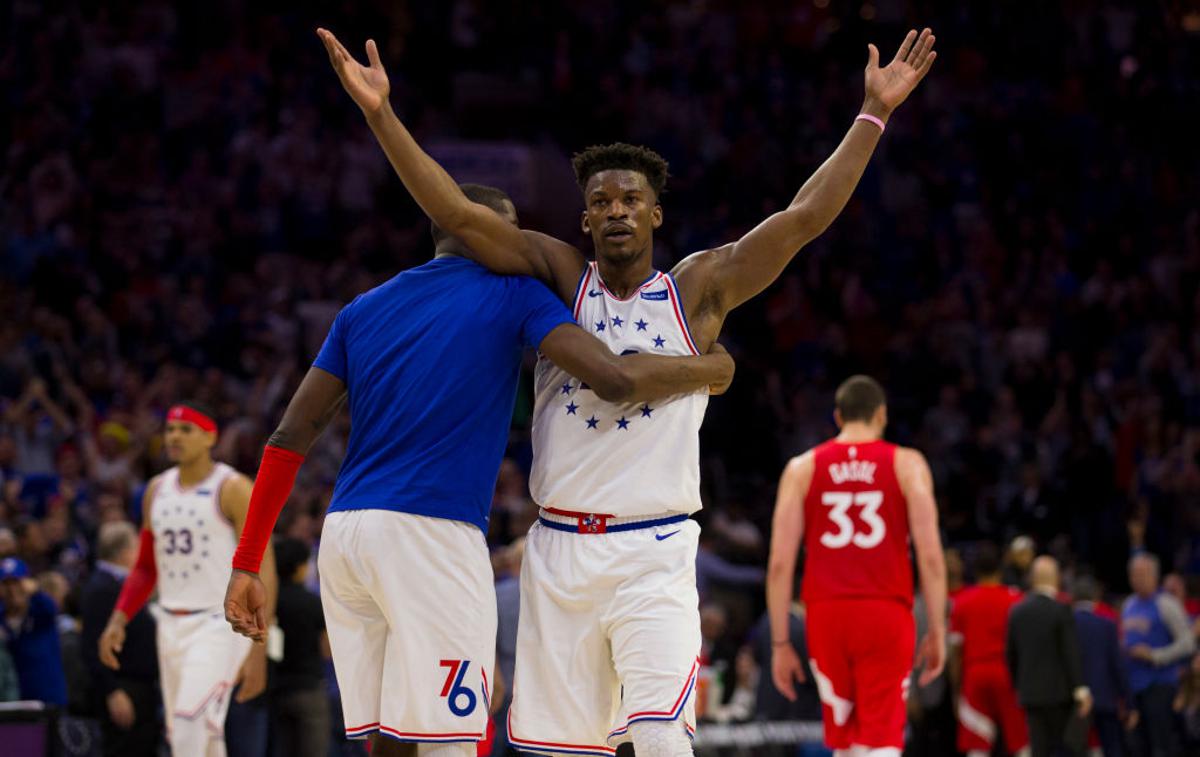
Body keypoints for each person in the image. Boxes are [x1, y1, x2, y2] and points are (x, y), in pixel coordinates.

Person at [316, 22, 937, 757]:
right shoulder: (556, 278)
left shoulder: (697, 290)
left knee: (661, 741)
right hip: (558, 554)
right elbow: (455, 213)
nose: (615, 209)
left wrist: (872, 115)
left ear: (655, 214)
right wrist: (382, 114)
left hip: (655, 552)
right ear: (584, 219)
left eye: (630, 199)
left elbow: (802, 220)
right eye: (602, 200)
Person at [221, 176, 734, 757]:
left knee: (394, 734)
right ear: (496, 235)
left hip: (346, 538)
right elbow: (613, 377)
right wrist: (710, 371)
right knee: (454, 742)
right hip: (430, 535)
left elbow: (289, 436)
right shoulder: (514, 292)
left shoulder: (361, 309)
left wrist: (246, 562)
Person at [766, 375, 948, 756]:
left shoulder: (802, 468)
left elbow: (781, 564)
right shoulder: (907, 463)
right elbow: (930, 557)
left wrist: (780, 641)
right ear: (881, 415)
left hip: (826, 613)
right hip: (885, 611)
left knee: (844, 739)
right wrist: (937, 628)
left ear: (837, 416)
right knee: (881, 738)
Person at [97, 402, 275, 757]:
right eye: (170, 430)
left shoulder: (233, 487)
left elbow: (263, 567)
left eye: (185, 429)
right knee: (198, 735)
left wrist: (259, 649)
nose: (174, 436)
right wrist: (119, 618)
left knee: (188, 725)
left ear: (210, 437)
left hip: (219, 624)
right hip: (170, 625)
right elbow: (146, 567)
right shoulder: (155, 491)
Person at [80, 521, 159, 757]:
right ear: (125, 551)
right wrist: (112, 692)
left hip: (140, 688)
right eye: (137, 546)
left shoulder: (116, 584)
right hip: (124, 687)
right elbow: (92, 647)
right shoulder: (102, 588)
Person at [1006, 556, 1092, 757]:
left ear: (1032, 579)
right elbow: (1070, 653)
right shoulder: (1061, 610)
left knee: (1039, 749)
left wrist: (1019, 685)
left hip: (1030, 694)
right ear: (1056, 578)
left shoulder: (1017, 612)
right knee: (1063, 748)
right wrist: (1080, 690)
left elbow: (1011, 655)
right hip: (1059, 695)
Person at [949, 543, 1028, 757]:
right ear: (1000, 570)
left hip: (975, 675)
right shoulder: (1016, 599)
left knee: (977, 745)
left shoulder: (962, 603)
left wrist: (956, 690)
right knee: (1021, 742)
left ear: (974, 572)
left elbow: (956, 652)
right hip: (1007, 675)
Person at [1121, 553, 1195, 756]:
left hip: (1160, 685)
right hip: (1135, 686)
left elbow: (1187, 644)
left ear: (1154, 576)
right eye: (1133, 574)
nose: (1136, 579)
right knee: (1137, 746)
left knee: (1161, 746)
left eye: (1141, 574)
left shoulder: (1167, 604)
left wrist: (1155, 655)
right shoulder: (1128, 605)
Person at [271, 536, 330, 757]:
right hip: (309, 689)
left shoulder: (269, 601)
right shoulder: (313, 602)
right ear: (299, 567)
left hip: (276, 689)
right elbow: (326, 651)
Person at [1071, 575, 1130, 757]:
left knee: (1073, 748)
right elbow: (1117, 665)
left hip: (1074, 700)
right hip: (1105, 698)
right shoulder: (1107, 625)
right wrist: (1129, 701)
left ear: (1073, 597)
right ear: (1096, 597)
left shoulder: (1065, 625)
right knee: (1112, 748)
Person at [0, 556, 67, 705]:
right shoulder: (1, 617)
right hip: (16, 701)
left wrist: (36, 591)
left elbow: (51, 608)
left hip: (49, 699)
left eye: (16, 583)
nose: (12, 590)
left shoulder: (40, 611)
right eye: (6, 584)